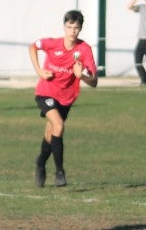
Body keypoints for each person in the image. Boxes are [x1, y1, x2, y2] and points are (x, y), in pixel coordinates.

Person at [29, 10, 98, 187]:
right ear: (64, 26)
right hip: (45, 92)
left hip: (67, 98)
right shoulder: (52, 44)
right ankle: (60, 172)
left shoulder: (84, 50)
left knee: (51, 133)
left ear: (80, 28)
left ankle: (40, 162)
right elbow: (33, 47)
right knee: (59, 125)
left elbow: (94, 82)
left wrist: (81, 76)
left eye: (76, 28)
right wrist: (39, 71)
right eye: (69, 27)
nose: (72, 31)